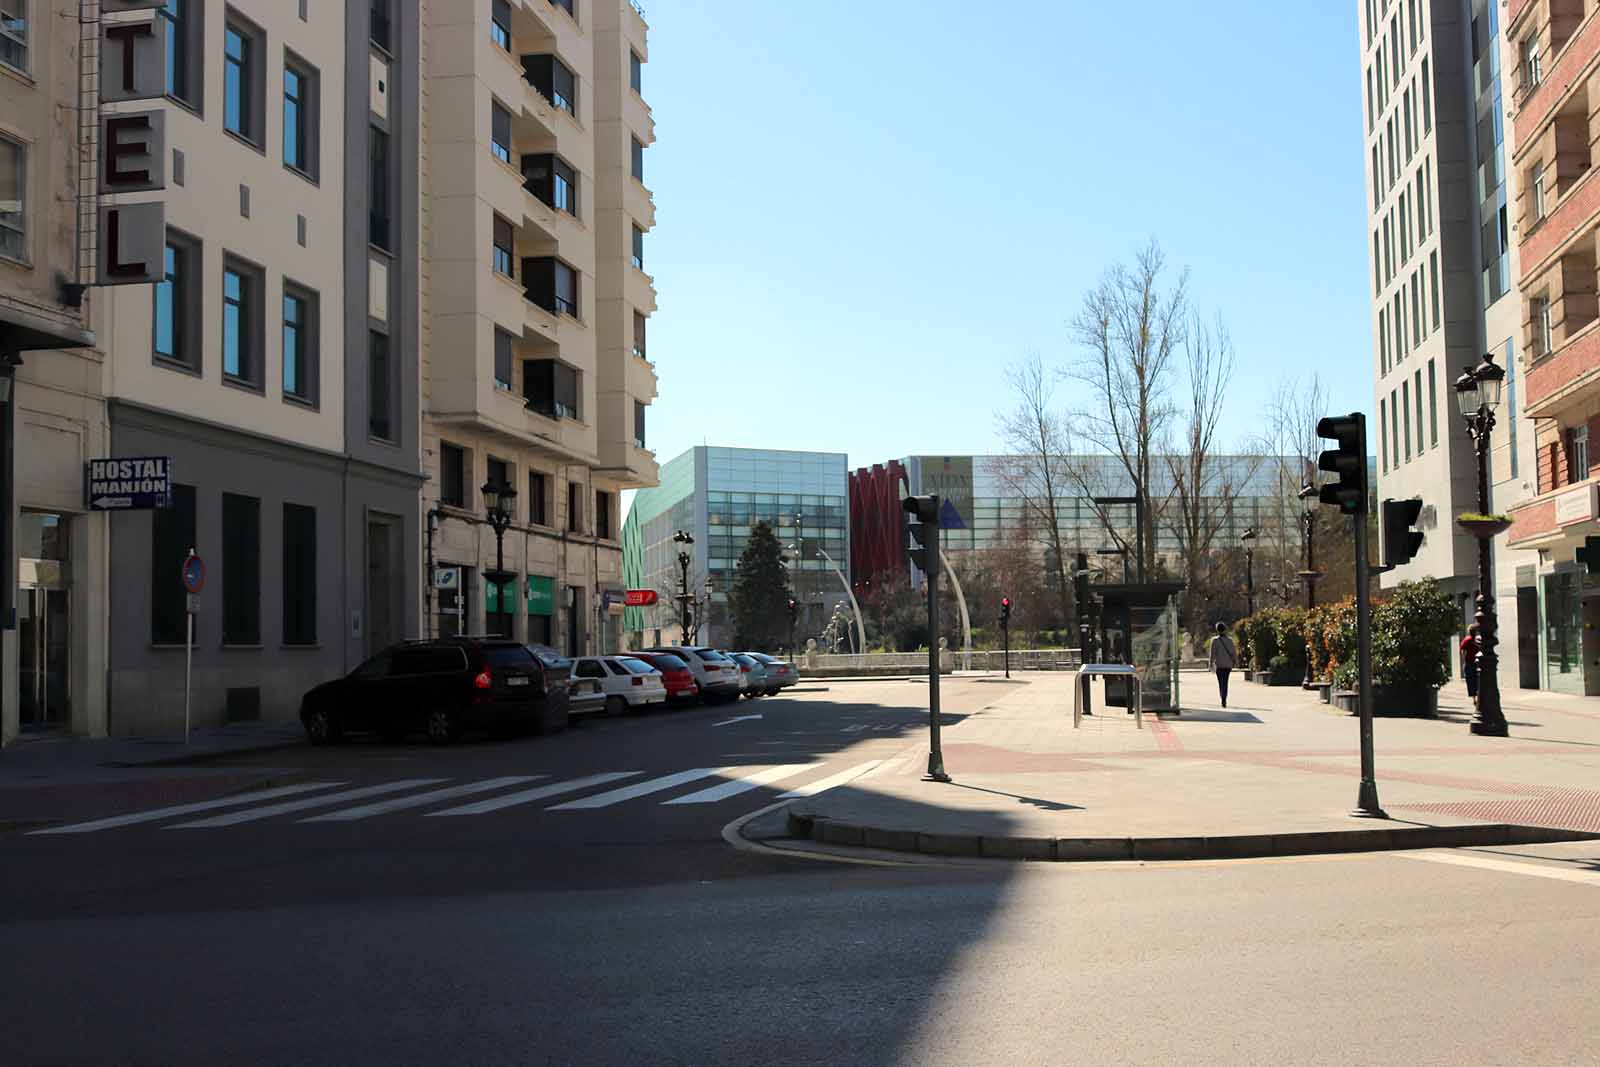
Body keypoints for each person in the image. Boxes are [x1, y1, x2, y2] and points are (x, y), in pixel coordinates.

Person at [1208, 621, 1238, 708]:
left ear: (1217, 630)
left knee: (1221, 682)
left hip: (1219, 665)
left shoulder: (1214, 641)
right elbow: (1233, 653)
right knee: (1225, 682)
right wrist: (1236, 661)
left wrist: (1210, 663)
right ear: (1225, 629)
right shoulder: (1229, 641)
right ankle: (1224, 698)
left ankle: (1222, 697)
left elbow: (1212, 654)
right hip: (1228, 665)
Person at [1460, 623, 1480, 700]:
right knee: (1477, 680)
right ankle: (1478, 696)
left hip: (1469, 662)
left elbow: (1462, 651)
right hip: (1477, 663)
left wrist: (1464, 659)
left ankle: (1474, 698)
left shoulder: (1466, 640)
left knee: (1470, 681)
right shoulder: (1477, 640)